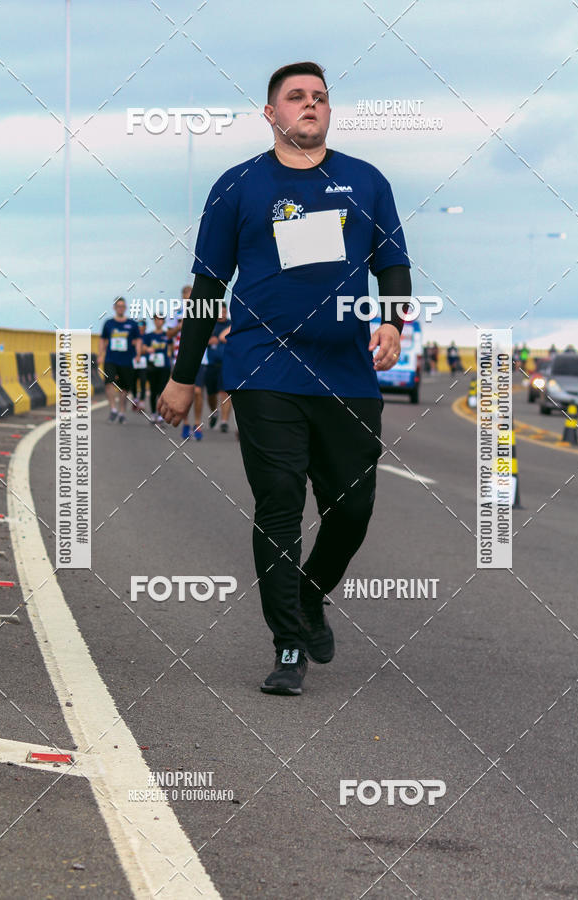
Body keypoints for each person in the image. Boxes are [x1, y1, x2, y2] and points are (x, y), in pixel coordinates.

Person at [158, 61, 411, 695]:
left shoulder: (366, 183)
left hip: (347, 374)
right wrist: (183, 378)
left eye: (319, 98)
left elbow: (395, 266)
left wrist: (393, 323)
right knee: (278, 504)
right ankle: (289, 644)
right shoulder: (237, 186)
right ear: (271, 114)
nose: (309, 105)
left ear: (330, 112)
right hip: (262, 368)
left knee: (351, 509)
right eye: (295, 97)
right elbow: (208, 290)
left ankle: (307, 594)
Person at [166, 284, 205, 440]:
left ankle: (197, 423)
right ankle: (186, 423)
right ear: (182, 296)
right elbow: (169, 333)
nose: (189, 296)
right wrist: (181, 325)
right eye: (187, 294)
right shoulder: (176, 312)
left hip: (201, 357)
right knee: (183, 391)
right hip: (180, 356)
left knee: (197, 391)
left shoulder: (202, 309)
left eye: (192, 294)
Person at [98, 297, 142, 423]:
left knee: (124, 388)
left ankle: (122, 411)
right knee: (109, 383)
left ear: (125, 308)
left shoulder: (132, 325)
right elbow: (103, 339)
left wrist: (138, 354)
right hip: (111, 358)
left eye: (123, 306)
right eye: (118, 306)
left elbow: (138, 340)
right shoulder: (109, 323)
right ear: (114, 308)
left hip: (126, 360)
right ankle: (113, 409)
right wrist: (100, 354)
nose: (120, 308)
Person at [205, 302, 232, 432]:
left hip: (227, 364)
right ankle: (214, 412)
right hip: (211, 365)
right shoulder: (210, 324)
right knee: (211, 394)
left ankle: (224, 422)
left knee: (225, 393)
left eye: (224, 311)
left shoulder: (231, 324)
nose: (222, 314)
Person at [142, 314, 173, 423]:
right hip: (152, 366)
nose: (158, 322)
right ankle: (153, 413)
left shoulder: (167, 335)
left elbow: (171, 347)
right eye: (156, 320)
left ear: (163, 322)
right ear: (154, 321)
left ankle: (161, 414)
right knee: (153, 390)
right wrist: (148, 348)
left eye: (161, 320)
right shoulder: (149, 335)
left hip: (164, 366)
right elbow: (143, 346)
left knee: (162, 390)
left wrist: (170, 354)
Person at [132, 319, 148, 411]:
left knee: (143, 382)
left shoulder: (146, 336)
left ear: (145, 327)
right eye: (139, 325)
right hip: (133, 362)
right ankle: (135, 399)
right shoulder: (134, 336)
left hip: (143, 362)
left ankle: (142, 401)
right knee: (133, 382)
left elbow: (147, 348)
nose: (140, 327)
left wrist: (141, 347)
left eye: (142, 325)